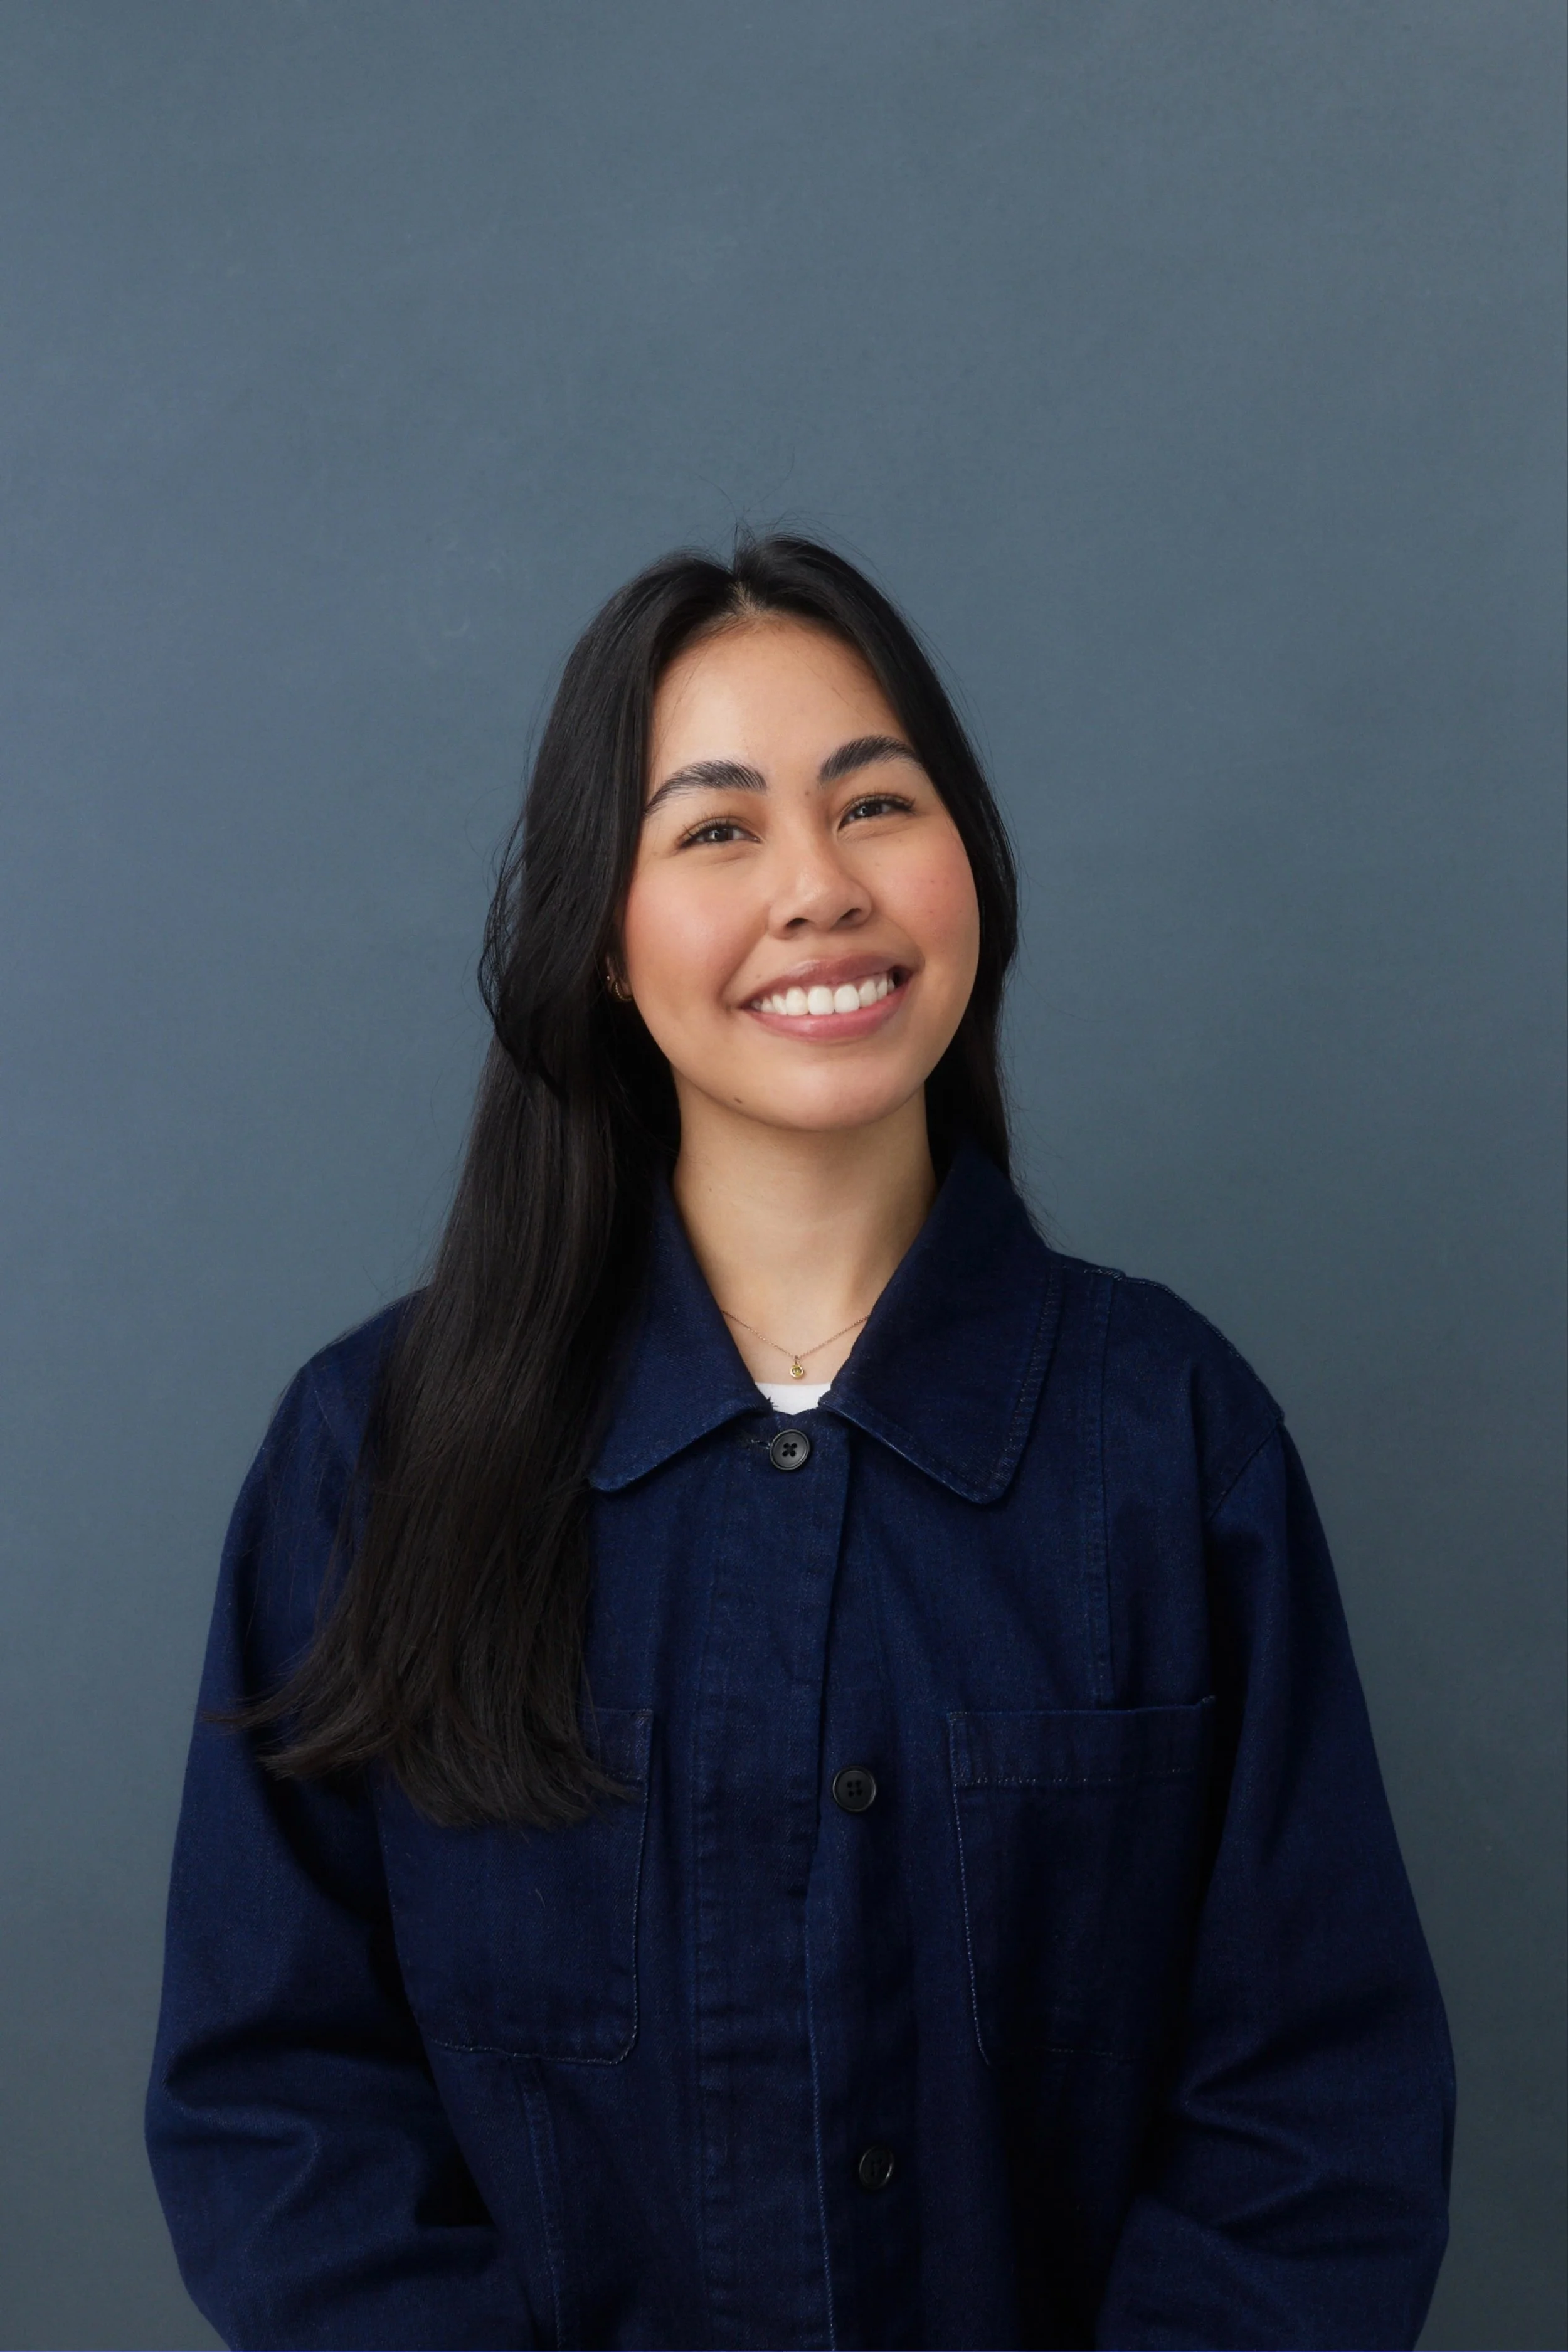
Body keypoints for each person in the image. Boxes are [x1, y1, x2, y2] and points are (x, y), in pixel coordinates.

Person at [146, 536, 1453, 2351]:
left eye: (874, 804)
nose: (819, 888)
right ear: (603, 943)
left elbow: (1312, 2119)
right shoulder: (372, 1455)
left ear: (969, 862)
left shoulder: (1168, 1437)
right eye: (715, 828)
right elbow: (282, 2111)